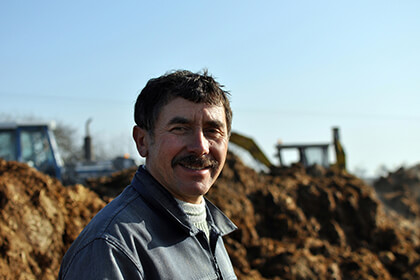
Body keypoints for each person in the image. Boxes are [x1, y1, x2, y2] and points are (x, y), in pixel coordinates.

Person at [58, 70, 238, 279]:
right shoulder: (111, 247)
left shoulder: (208, 227)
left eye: (212, 131)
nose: (200, 147)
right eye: (180, 128)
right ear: (142, 141)